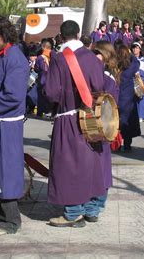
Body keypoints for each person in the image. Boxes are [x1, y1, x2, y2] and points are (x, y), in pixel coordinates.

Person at [44, 20, 106, 227]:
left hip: (68, 117)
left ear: (61, 37)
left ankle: (72, 213)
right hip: (89, 116)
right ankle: (90, 208)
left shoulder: (60, 59)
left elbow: (52, 92)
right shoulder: (91, 57)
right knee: (89, 162)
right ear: (79, 35)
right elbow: (99, 85)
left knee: (68, 165)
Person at [0, 17, 29, 236]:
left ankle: (11, 220)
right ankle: (4, 214)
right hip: (0, 121)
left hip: (7, 123)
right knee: (0, 169)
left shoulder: (15, 59)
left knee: (7, 170)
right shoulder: (4, 56)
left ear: (3, 36)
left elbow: (13, 95)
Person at [93, 40, 120, 212]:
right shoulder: (109, 74)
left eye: (96, 53)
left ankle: (97, 203)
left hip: (102, 123)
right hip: (104, 123)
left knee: (100, 163)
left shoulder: (105, 76)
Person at [116, 44, 140, 151]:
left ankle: (116, 145)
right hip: (128, 97)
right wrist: (131, 54)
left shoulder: (115, 67)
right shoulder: (131, 67)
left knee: (116, 123)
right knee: (128, 122)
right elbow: (137, 62)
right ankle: (127, 145)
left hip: (117, 97)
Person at [35, 38, 53, 118]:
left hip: (42, 79)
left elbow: (37, 69)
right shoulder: (52, 57)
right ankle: (48, 111)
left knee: (40, 97)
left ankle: (40, 112)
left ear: (43, 47)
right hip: (50, 80)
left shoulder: (40, 58)